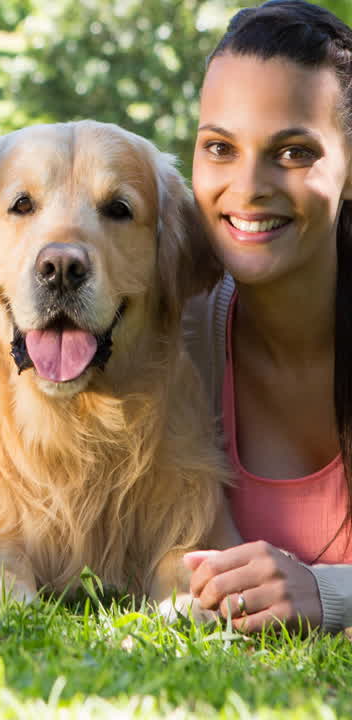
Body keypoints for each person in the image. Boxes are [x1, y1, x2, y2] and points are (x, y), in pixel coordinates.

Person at [183, 0, 352, 634]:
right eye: (220, 147)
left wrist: (325, 591)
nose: (248, 186)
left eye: (292, 152)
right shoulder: (184, 333)